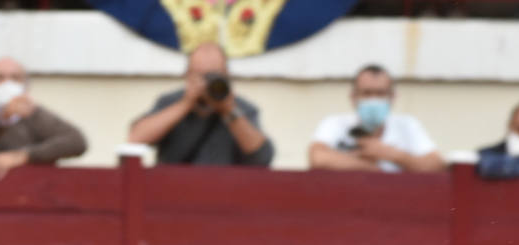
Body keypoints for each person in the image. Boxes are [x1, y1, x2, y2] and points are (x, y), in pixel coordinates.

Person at [126, 42, 273, 168]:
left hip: (226, 194)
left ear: (226, 74)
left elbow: (262, 157)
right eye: (201, 76)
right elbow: (136, 139)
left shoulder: (241, 108)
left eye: (215, 75)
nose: (208, 83)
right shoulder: (171, 102)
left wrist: (229, 110)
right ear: (188, 75)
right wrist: (186, 104)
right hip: (174, 194)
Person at [0, 57, 87, 180]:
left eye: (15, 78)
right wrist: (3, 119)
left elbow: (76, 141)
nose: (7, 83)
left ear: (25, 87)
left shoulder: (35, 115)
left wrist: (22, 156)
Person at [308, 64, 445, 174]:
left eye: (380, 93)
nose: (373, 99)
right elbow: (318, 157)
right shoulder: (335, 123)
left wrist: (389, 154)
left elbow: (436, 165)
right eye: (366, 93)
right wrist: (374, 170)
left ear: (392, 97)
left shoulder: (407, 125)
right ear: (353, 97)